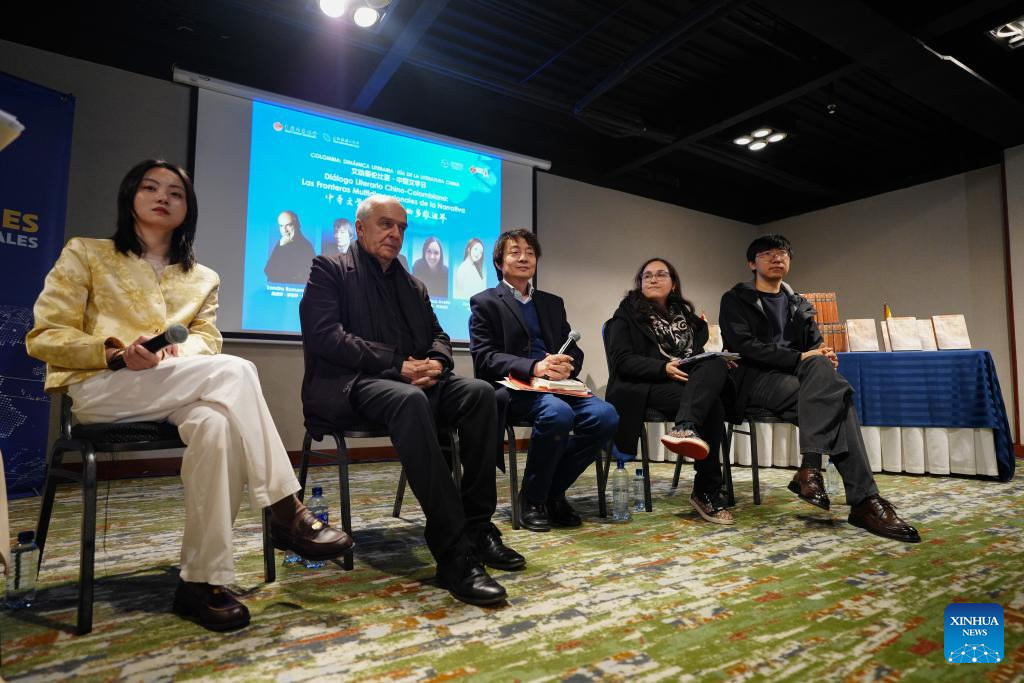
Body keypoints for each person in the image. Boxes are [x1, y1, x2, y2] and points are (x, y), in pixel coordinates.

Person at [25, 160, 353, 631]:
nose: (163, 197)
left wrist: (181, 350)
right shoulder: (86, 254)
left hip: (177, 383)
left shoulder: (204, 277)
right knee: (237, 371)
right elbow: (44, 335)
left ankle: (201, 583)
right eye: (150, 187)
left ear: (188, 208)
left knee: (217, 425)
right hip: (103, 387)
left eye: (176, 192)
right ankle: (286, 510)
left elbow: (208, 341)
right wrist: (115, 352)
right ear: (129, 197)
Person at [299, 194, 523, 607]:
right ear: (360, 227)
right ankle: (453, 551)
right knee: (409, 401)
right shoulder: (329, 269)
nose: (396, 234)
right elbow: (325, 336)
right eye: (386, 224)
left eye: (401, 227)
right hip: (347, 386)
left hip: (409, 381)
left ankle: (477, 528)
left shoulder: (412, 284)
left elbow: (438, 335)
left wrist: (436, 362)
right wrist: (397, 364)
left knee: (483, 394)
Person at [719, 234, 921, 542]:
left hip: (800, 382)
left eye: (783, 253)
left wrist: (821, 354)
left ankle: (815, 475)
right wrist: (805, 357)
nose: (777, 257)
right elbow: (744, 347)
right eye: (767, 253)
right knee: (839, 399)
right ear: (751, 263)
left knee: (826, 380)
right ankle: (860, 498)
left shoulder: (800, 304)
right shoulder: (735, 300)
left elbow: (814, 346)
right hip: (755, 381)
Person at [469, 229, 619, 532]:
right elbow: (485, 358)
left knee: (606, 416)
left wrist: (567, 365)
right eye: (514, 252)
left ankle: (549, 492)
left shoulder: (552, 302)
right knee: (557, 414)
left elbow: (571, 346)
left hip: (557, 386)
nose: (524, 257)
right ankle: (534, 500)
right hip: (515, 388)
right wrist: (535, 366)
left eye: (530, 252)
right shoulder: (484, 302)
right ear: (499, 262)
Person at [605, 258, 735, 524]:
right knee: (712, 405)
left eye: (660, 274)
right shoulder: (625, 315)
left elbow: (696, 358)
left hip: (684, 383)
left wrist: (716, 362)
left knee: (715, 363)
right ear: (640, 284)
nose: (652, 279)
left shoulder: (689, 320)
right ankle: (706, 491)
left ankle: (685, 426)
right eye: (646, 276)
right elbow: (622, 361)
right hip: (644, 386)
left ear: (673, 283)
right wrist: (662, 368)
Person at [264, 210, 315, 283]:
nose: (284, 230)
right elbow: (268, 270)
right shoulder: (282, 242)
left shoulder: (306, 247)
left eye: (288, 225)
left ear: (297, 225)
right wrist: (281, 247)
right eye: (281, 226)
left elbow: (302, 276)